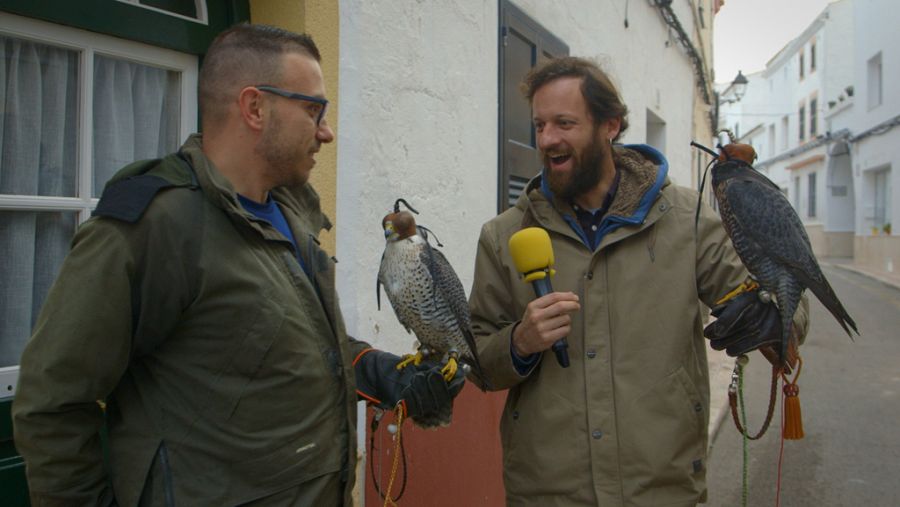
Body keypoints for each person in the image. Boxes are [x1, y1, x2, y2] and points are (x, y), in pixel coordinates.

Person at [12, 24, 462, 506]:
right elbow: (52, 403)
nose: (326, 132)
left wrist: (375, 371)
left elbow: (280, 340)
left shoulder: (292, 213)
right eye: (313, 110)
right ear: (254, 107)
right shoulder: (156, 225)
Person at [468, 56, 809, 506]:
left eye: (564, 123)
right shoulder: (504, 236)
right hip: (548, 491)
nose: (547, 139)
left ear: (610, 125)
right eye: (539, 125)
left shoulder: (686, 220)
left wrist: (766, 316)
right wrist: (519, 342)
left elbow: (788, 309)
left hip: (662, 487)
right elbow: (476, 359)